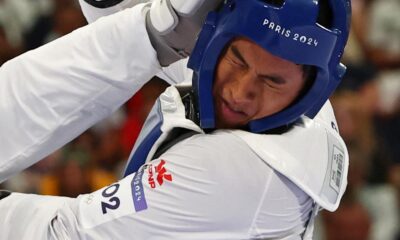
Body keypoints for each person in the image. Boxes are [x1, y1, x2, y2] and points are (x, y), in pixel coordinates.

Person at [0, 0, 351, 239]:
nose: (240, 92)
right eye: (238, 61)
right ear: (215, 41)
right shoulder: (291, 90)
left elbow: (60, 233)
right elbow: (156, 27)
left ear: (314, 91)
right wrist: (155, 21)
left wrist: (157, 29)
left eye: (271, 81)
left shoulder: (237, 174)